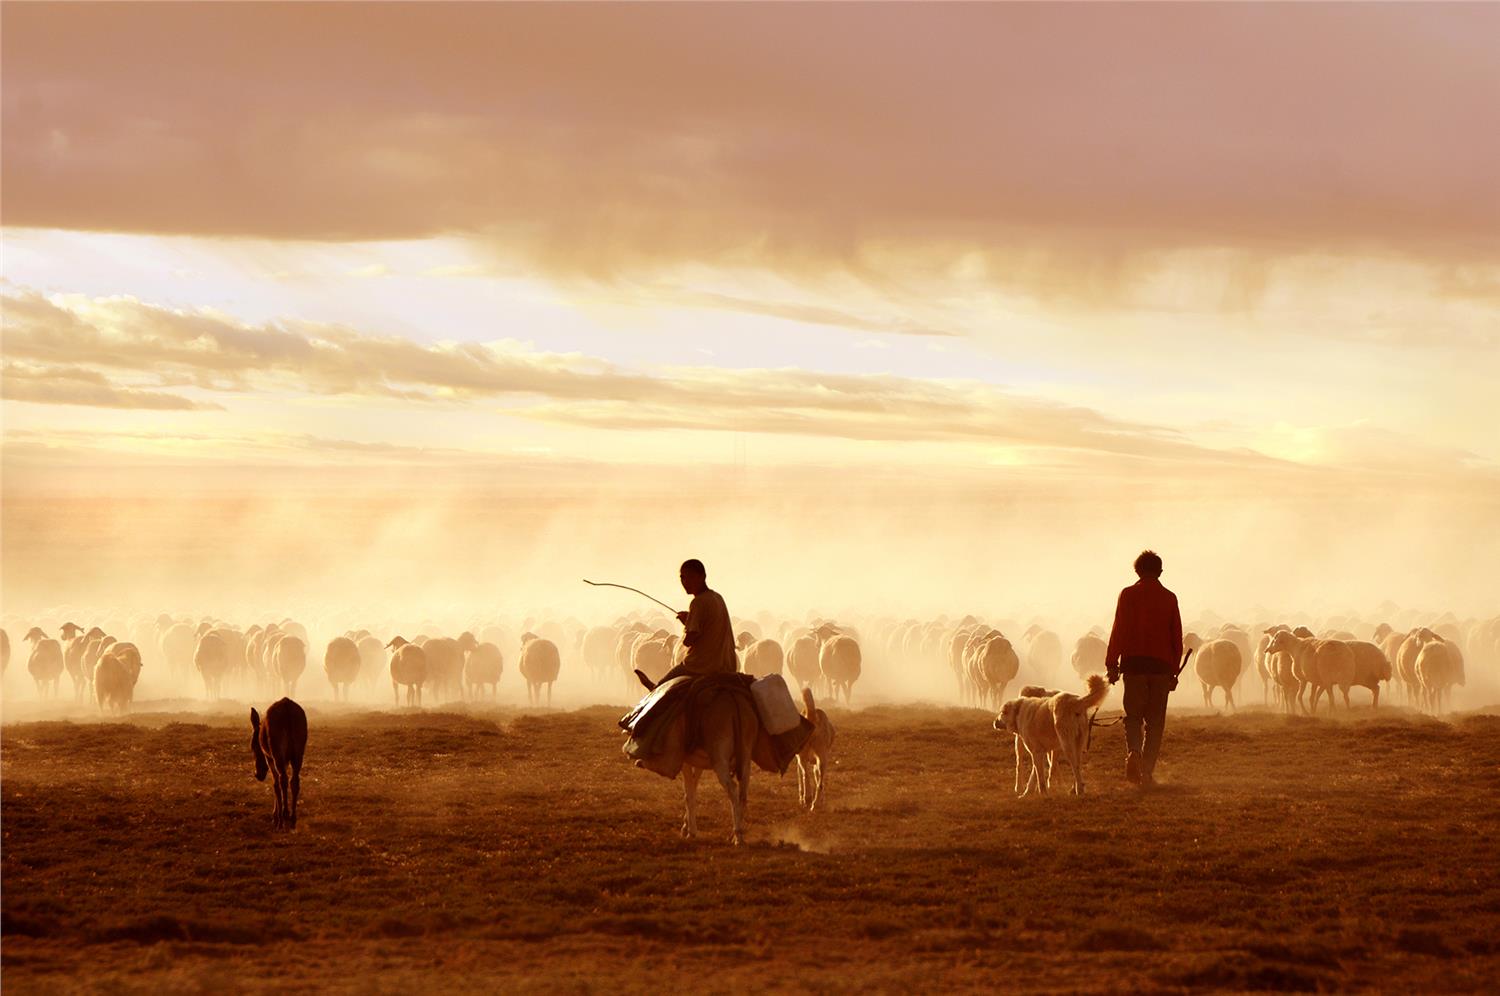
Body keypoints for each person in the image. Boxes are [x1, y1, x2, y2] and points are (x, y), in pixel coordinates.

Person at [1103, 550, 1183, 787]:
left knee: (1133, 717)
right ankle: (1146, 771)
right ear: (1160, 572)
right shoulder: (1169, 597)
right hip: (1160, 667)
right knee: (1156, 721)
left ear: (1137, 571)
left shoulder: (1128, 595)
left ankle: (1134, 752)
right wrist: (1174, 671)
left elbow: (1119, 630)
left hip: (1134, 665)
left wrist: (1111, 664)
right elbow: (1175, 638)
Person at [634, 559, 738, 688]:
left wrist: (687, 624)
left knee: (660, 687)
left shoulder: (698, 602)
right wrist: (690, 620)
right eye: (682, 578)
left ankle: (654, 688)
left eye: (691, 577)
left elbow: (689, 640)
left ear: (703, 576)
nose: (686, 582)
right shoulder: (717, 597)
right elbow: (709, 627)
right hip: (728, 665)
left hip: (701, 666)